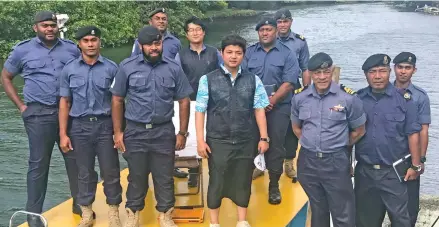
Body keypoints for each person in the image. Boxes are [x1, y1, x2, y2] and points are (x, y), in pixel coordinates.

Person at [1, 11, 80, 227]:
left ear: (57, 27)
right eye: (45, 25)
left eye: (52, 25)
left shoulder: (71, 48)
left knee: (75, 161)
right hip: (38, 115)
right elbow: (6, 77)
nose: (49, 29)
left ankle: (80, 206)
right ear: (35, 27)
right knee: (38, 165)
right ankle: (33, 215)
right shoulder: (22, 50)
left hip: (69, 113)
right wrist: (21, 107)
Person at [110, 25, 193, 227]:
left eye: (157, 43)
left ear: (162, 43)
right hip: (135, 130)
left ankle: (165, 215)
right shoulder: (127, 67)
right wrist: (118, 132)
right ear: (141, 46)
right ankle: (133, 214)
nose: (154, 48)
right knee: (136, 175)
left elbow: (184, 100)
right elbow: (117, 100)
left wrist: (182, 132)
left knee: (164, 175)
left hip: (163, 130)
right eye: (149, 44)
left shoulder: (173, 68)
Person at [195, 34, 270, 227]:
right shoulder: (208, 80)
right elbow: (200, 110)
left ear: (244, 55)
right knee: (217, 180)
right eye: (229, 52)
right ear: (221, 53)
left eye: (238, 52)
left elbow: (259, 109)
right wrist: (200, 140)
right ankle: (214, 223)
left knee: (243, 179)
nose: (233, 56)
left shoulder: (253, 80)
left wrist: (264, 137)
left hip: (246, 138)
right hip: (218, 140)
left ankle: (242, 220)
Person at [291, 52, 366, 227]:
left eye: (326, 72)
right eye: (317, 73)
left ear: (332, 71)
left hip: (335, 161)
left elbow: (359, 130)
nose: (322, 77)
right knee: (318, 209)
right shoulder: (300, 98)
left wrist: (337, 144)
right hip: (308, 161)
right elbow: (296, 128)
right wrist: (311, 143)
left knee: (343, 213)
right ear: (310, 74)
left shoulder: (348, 98)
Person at [58, 26, 122, 227]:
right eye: (86, 41)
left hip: (105, 126)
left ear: (99, 42)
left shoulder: (112, 68)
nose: (90, 44)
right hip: (79, 128)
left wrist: (119, 131)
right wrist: (63, 134)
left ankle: (113, 213)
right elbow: (64, 102)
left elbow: (118, 101)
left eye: (94, 40)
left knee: (110, 172)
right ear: (79, 44)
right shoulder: (69, 69)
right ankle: (86, 213)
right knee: (84, 173)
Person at [354, 54, 422, 227]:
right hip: (365, 172)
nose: (378, 76)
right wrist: (347, 164)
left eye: (382, 71)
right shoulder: (357, 100)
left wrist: (415, 165)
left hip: (394, 173)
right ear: (366, 75)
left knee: (401, 220)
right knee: (364, 221)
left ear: (389, 72)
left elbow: (413, 134)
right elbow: (350, 134)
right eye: (373, 72)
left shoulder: (405, 101)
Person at [242, 17, 301, 205]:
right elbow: (242, 77)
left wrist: (272, 101)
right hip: (252, 107)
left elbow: (290, 82)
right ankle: (251, 175)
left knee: (275, 145)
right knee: (251, 142)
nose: (265, 33)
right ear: (258, 32)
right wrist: (257, 102)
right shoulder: (249, 53)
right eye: (262, 30)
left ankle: (274, 185)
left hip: (279, 107)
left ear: (276, 31)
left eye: (269, 29)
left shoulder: (287, 54)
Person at [175, 16, 223, 188]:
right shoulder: (180, 55)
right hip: (189, 103)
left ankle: (217, 175)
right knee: (192, 140)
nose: (195, 33)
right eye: (191, 30)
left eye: (198, 29)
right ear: (186, 35)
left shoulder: (214, 53)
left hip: (213, 103)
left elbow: (223, 73)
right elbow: (176, 79)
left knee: (214, 137)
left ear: (204, 32)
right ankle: (193, 173)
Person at [393, 52, 431, 227]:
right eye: (400, 67)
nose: (403, 71)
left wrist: (420, 160)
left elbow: (423, 130)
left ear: (414, 70)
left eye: (407, 68)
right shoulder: (382, 91)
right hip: (385, 156)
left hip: (409, 158)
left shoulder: (420, 96)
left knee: (409, 211)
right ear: (394, 69)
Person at [274, 8, 311, 181]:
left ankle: (289, 162)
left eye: (285, 21)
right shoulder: (268, 39)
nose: (282, 24)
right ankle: (262, 162)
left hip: (292, 91)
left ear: (291, 22)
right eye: (279, 22)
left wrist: (307, 90)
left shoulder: (299, 42)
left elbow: (305, 68)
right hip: (270, 90)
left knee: (291, 126)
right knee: (265, 127)